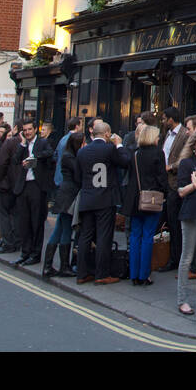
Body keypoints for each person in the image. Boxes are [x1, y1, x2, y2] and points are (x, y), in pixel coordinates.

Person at [76, 119, 131, 284]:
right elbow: (125, 161)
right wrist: (119, 145)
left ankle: (82, 274)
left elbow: (78, 176)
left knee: (85, 236)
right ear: (107, 134)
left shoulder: (82, 152)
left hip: (87, 198)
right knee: (103, 237)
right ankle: (102, 274)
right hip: (105, 199)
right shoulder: (109, 149)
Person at [124, 123, 167, 285]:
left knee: (135, 236)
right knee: (148, 236)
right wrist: (165, 194)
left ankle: (133, 274)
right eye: (157, 136)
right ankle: (144, 275)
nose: (158, 139)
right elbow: (161, 179)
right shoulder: (158, 154)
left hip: (134, 200)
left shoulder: (135, 154)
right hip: (151, 199)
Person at [175, 129, 196, 315]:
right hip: (191, 212)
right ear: (194, 146)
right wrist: (195, 184)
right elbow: (181, 191)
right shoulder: (186, 163)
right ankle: (181, 300)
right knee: (187, 257)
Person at [45, 126, 83, 278]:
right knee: (66, 229)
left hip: (65, 194)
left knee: (59, 229)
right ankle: (64, 266)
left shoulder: (69, 155)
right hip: (68, 196)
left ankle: (48, 266)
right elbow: (78, 176)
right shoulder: (69, 157)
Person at [13, 119, 49, 266]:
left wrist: (34, 157)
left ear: (35, 130)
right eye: (25, 130)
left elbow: (49, 153)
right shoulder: (22, 145)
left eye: (29, 129)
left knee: (36, 222)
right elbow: (15, 160)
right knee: (24, 222)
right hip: (23, 186)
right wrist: (22, 144)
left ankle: (35, 254)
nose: (27, 132)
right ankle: (25, 252)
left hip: (37, 186)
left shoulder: (42, 143)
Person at [161, 108, 187, 272]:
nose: (163, 121)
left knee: (176, 225)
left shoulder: (184, 134)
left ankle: (176, 260)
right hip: (165, 183)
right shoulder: (167, 135)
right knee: (168, 223)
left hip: (176, 183)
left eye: (164, 118)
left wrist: (170, 167)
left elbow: (184, 159)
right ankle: (170, 257)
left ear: (172, 119)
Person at [0, 121, 19, 251]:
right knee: (14, 214)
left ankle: (8, 242)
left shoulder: (9, 143)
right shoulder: (24, 143)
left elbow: (2, 164)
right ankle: (15, 240)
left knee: (4, 214)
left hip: (6, 184)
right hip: (17, 185)